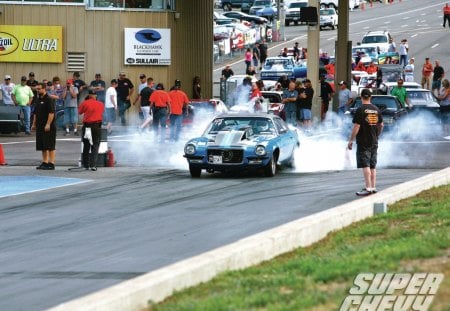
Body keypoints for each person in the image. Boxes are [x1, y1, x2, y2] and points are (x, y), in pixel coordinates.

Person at [347, 88, 384, 196]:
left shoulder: (360, 109)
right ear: (370, 97)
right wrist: (377, 135)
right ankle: (373, 186)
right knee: (372, 165)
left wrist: (350, 140)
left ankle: (368, 188)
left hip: (363, 140)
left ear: (361, 97)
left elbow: (356, 126)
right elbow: (381, 125)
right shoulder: (376, 109)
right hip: (374, 140)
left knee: (365, 164)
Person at [31, 83, 57, 170]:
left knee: (50, 145)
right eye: (37, 89)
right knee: (42, 145)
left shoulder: (49, 99)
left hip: (48, 126)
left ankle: (51, 163)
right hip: (40, 126)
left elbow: (51, 113)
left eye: (39, 89)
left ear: (44, 89)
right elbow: (35, 113)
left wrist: (48, 124)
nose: (38, 91)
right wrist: (34, 124)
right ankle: (45, 162)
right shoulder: (38, 100)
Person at [78, 89, 104, 171]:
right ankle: (93, 165)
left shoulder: (85, 103)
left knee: (86, 145)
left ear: (89, 95)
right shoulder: (100, 104)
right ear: (96, 96)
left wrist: (86, 101)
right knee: (95, 145)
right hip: (96, 126)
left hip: (87, 127)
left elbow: (80, 112)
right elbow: (102, 112)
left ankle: (86, 165)